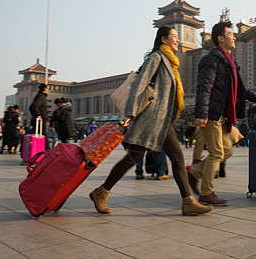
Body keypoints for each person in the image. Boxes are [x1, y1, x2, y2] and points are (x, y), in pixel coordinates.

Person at [89, 26, 212, 216]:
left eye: (178, 37)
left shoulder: (171, 62)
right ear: (163, 39)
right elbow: (139, 83)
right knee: (133, 158)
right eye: (174, 36)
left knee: (177, 158)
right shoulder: (156, 58)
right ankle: (101, 192)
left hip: (162, 121)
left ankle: (187, 201)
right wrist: (129, 113)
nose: (177, 40)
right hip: (150, 119)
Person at [193, 21, 256, 206]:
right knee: (217, 153)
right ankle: (206, 193)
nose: (234, 37)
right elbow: (204, 88)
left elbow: (241, 89)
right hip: (212, 115)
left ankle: (193, 172)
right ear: (221, 38)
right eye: (230, 34)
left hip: (225, 117)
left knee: (227, 151)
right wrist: (202, 113)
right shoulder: (211, 60)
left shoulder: (231, 62)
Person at [184, 124, 243, 195]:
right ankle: (203, 186)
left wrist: (195, 161)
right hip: (231, 134)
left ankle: (195, 177)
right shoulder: (201, 128)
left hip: (228, 134)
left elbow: (198, 147)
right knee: (221, 154)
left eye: (192, 138)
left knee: (220, 154)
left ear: (192, 133)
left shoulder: (199, 130)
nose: (194, 139)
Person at [29, 84, 50, 149]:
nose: (48, 90)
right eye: (47, 89)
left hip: (41, 119)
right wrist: (38, 115)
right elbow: (33, 106)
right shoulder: (41, 96)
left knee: (40, 135)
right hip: (41, 120)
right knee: (43, 136)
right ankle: (48, 151)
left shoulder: (40, 96)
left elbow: (32, 107)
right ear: (44, 89)